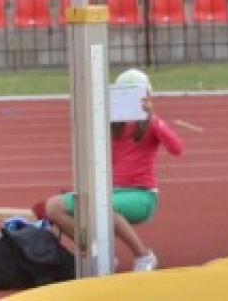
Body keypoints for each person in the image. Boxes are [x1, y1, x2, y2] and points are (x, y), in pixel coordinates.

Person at [39, 69, 183, 273]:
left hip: (141, 195)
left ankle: (144, 255)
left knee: (104, 205)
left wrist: (152, 117)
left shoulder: (152, 124)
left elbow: (177, 148)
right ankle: (97, 253)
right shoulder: (111, 125)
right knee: (53, 207)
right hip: (110, 192)